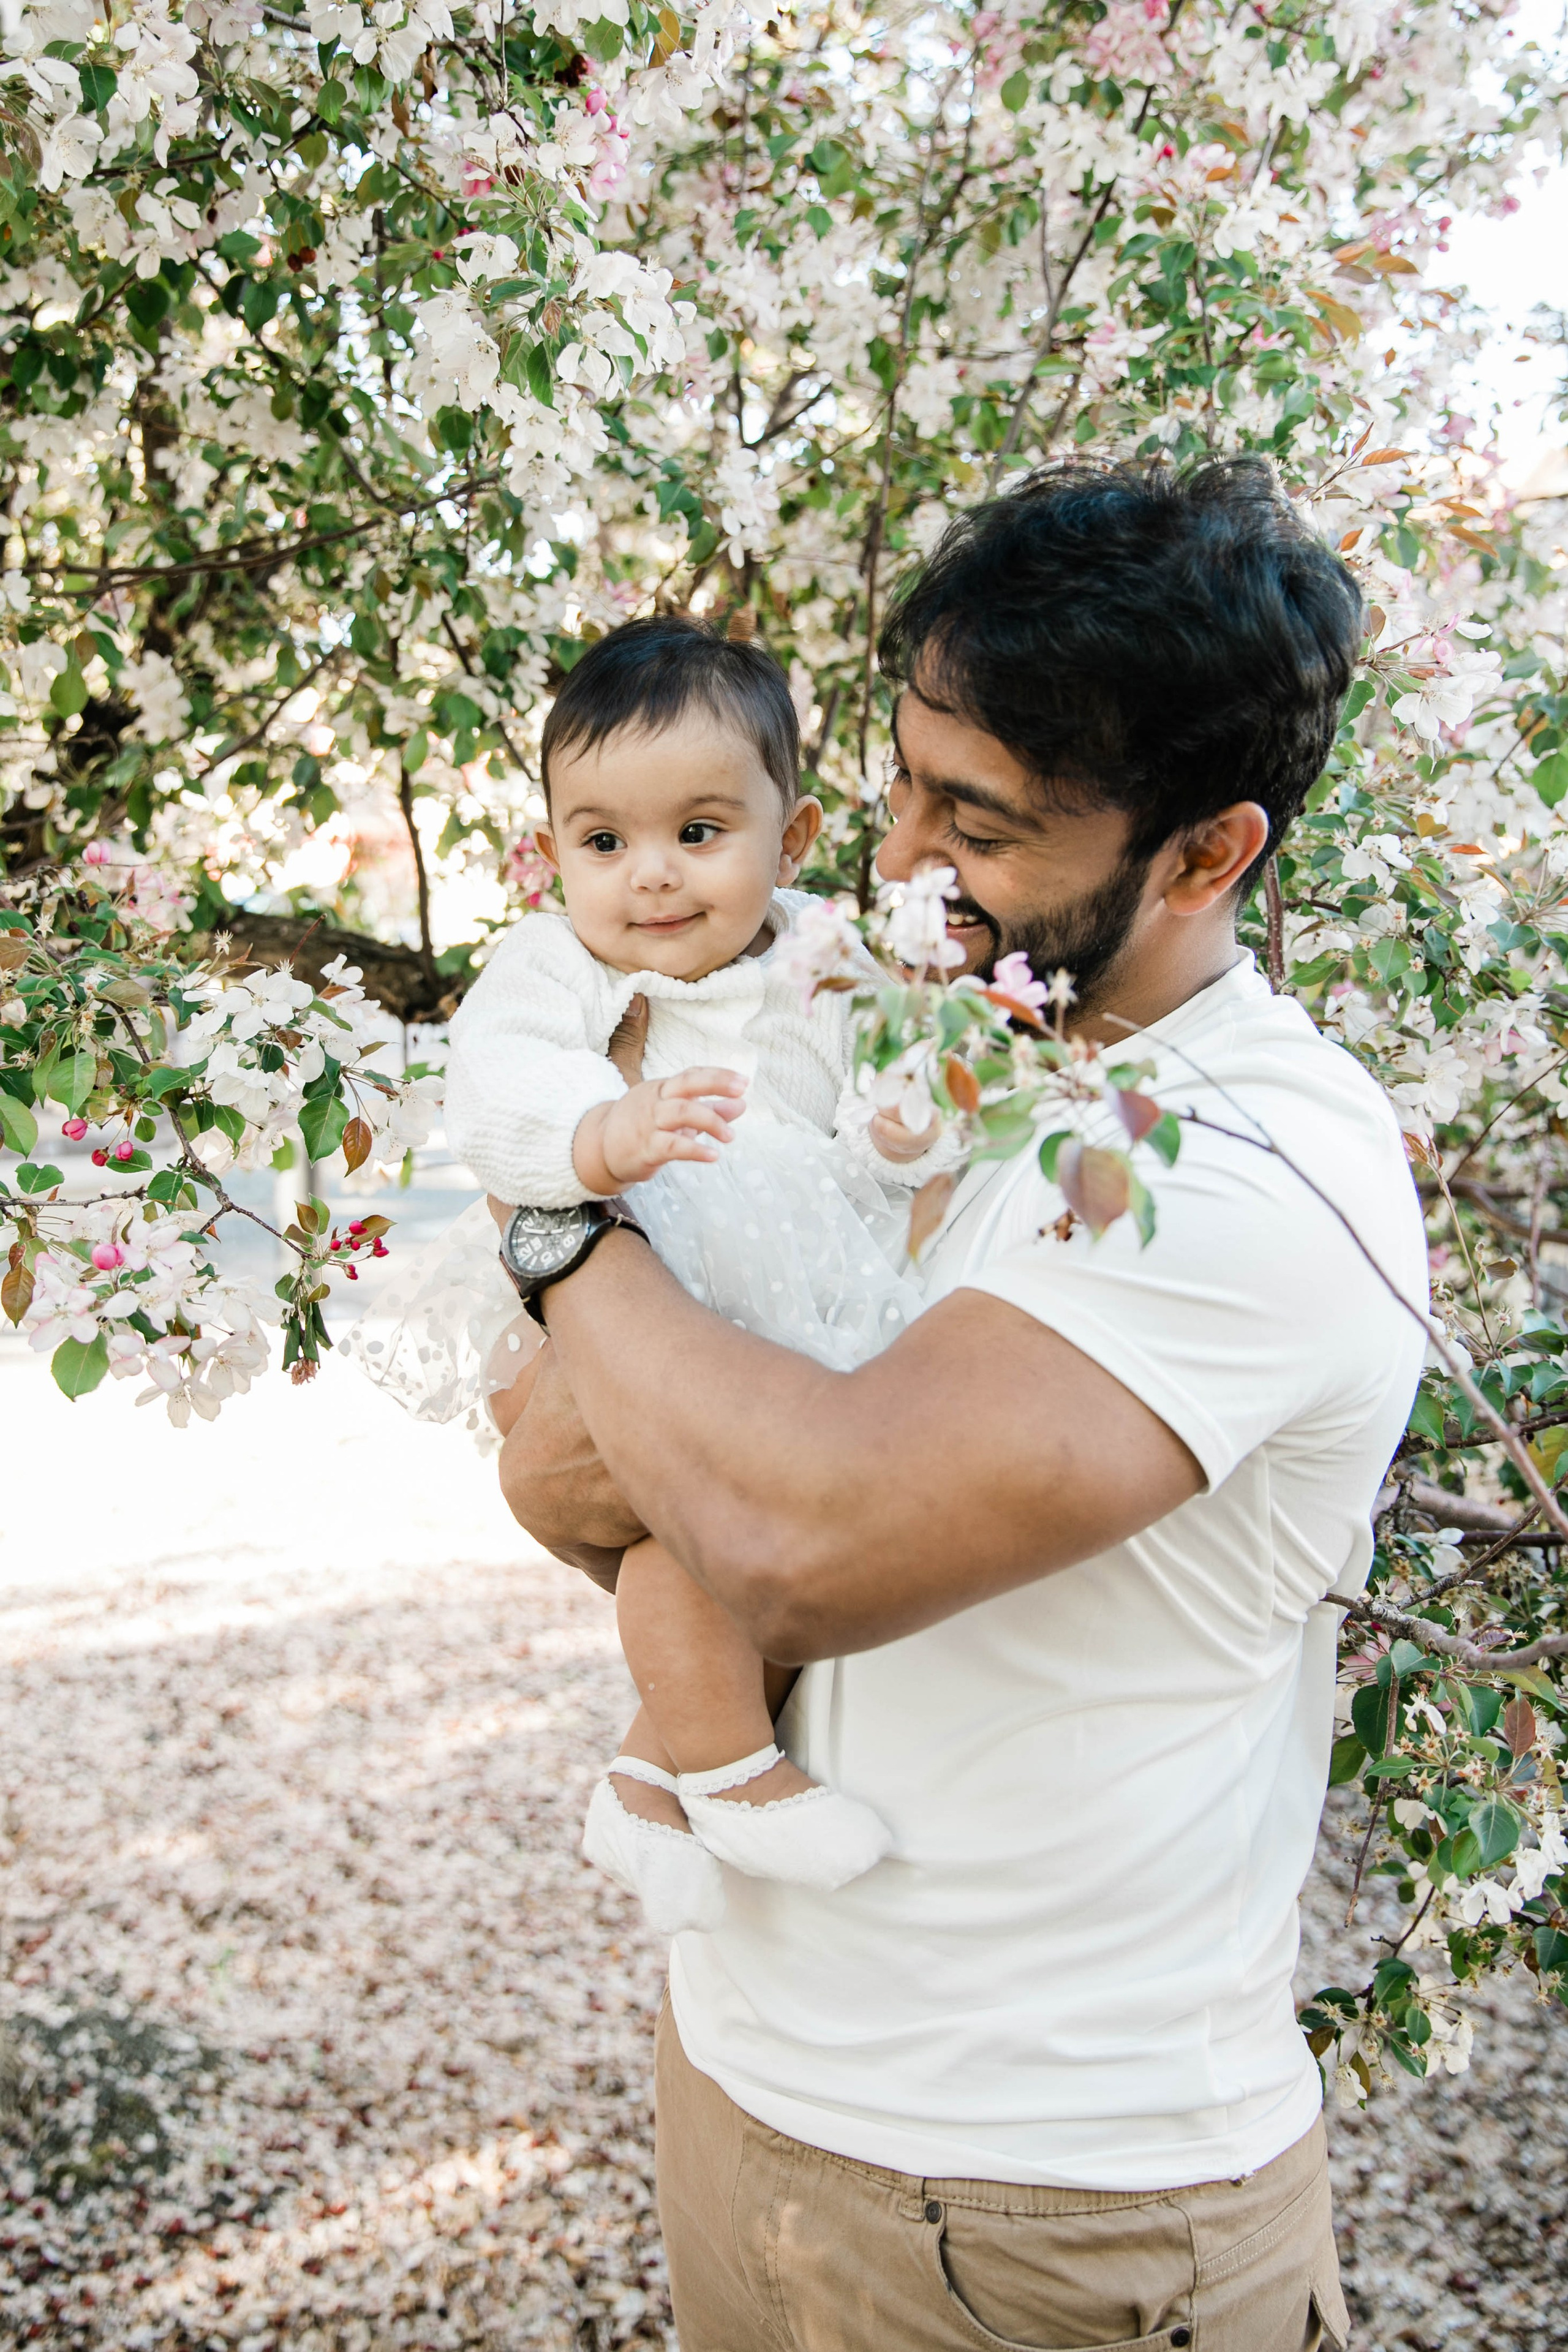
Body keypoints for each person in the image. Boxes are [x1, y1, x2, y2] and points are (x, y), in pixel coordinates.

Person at [490, 459, 1429, 2351]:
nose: (899, 859)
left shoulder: (1241, 1164)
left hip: (1039, 2202)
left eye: (978, 822)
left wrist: (553, 1226)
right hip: (748, 2084)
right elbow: (562, 1466)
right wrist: (672, 1387)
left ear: (1205, 854)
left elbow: (786, 1533)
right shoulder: (916, 1043)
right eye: (906, 782)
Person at [429, 617, 956, 1933]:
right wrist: (598, 1134)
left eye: (699, 833)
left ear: (792, 838)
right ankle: (726, 1766)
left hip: (803, 1296)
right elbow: (496, 1079)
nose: (650, 879)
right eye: (602, 843)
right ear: (553, 854)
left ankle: (651, 1776)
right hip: (647, 1276)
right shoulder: (558, 963)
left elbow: (886, 1098)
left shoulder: (829, 959)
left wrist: (899, 1129)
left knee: (769, 1521)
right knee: (698, 1506)